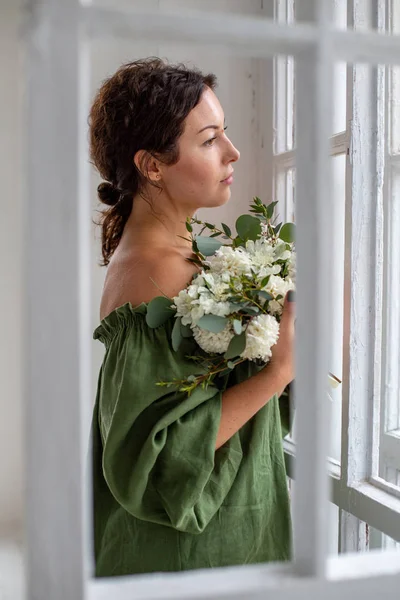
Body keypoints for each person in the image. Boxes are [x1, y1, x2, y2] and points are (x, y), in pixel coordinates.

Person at [89, 57, 295, 577]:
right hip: (189, 557)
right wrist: (277, 372)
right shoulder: (152, 272)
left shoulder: (180, 255)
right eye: (209, 140)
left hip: (217, 542)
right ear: (151, 165)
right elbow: (156, 462)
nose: (233, 151)